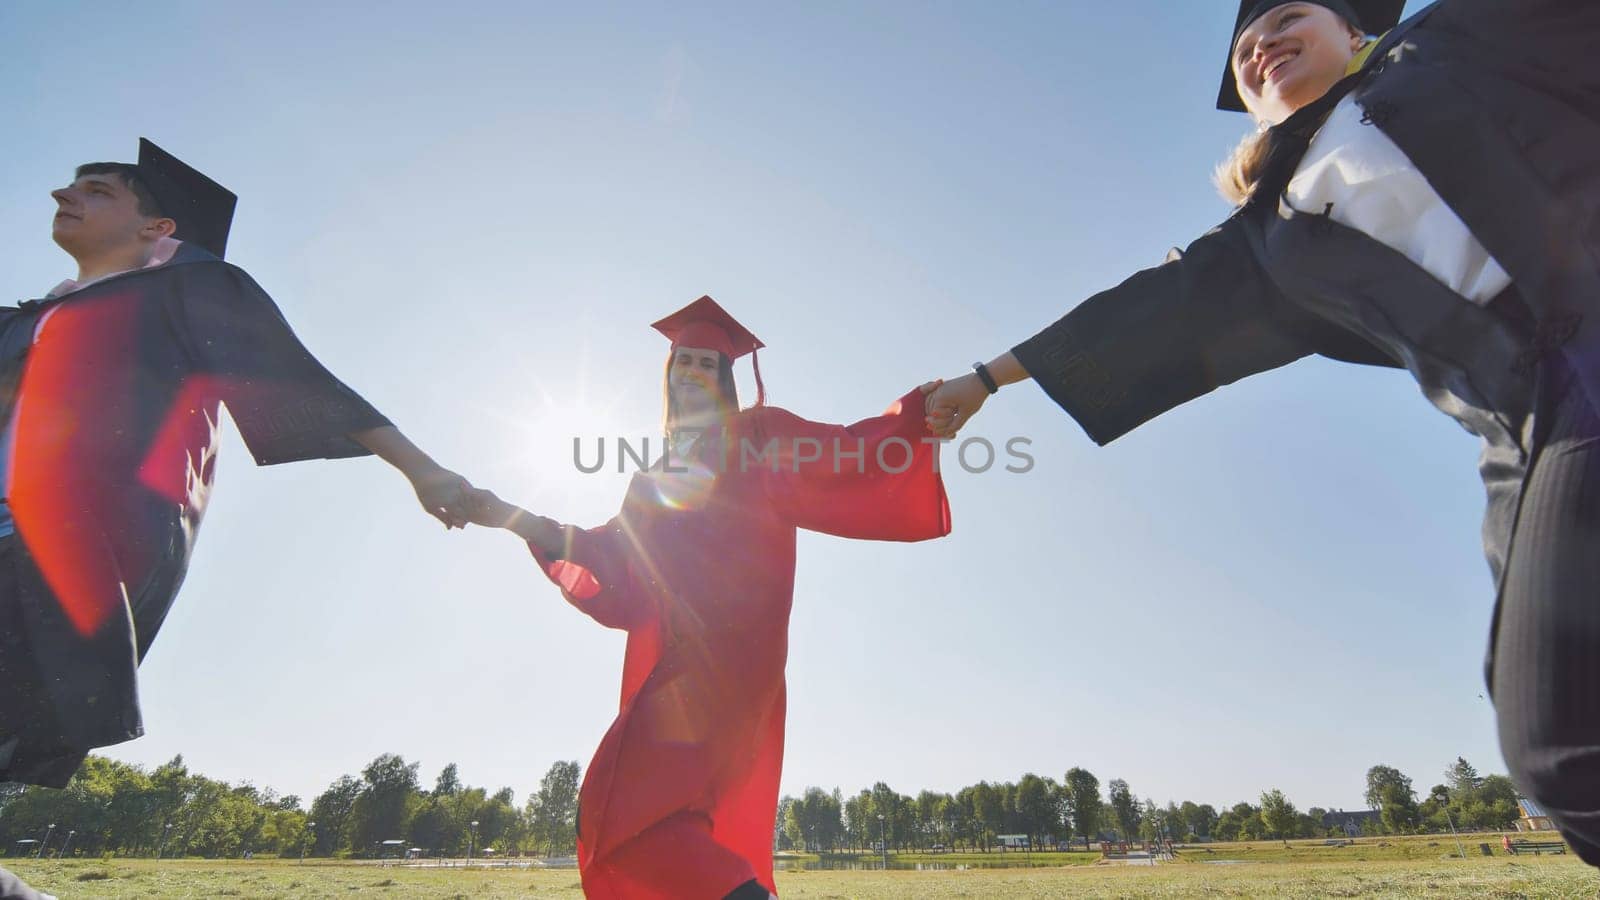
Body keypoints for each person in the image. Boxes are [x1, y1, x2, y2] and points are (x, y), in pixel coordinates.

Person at [926, 0, 1600, 865]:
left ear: (1354, 31)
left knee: (1567, 729)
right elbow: (1139, 311)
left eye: (1286, 18)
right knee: (1551, 739)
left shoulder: (1454, 41)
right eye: (1246, 47)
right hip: (1522, 426)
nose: (1262, 44)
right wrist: (986, 380)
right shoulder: (1269, 237)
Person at [0, 140, 475, 794]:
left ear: (157, 229)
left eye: (99, 190)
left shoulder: (187, 291)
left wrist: (421, 469)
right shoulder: (23, 321)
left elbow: (292, 378)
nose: (64, 195)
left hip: (53, 552)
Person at [467, 296, 950, 898]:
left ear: (725, 379)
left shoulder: (760, 437)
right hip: (680, 665)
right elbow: (614, 561)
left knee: (628, 811)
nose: (692, 372)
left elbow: (847, 453)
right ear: (667, 377)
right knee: (628, 814)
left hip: (734, 664)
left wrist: (919, 412)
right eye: (682, 362)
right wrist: (517, 519)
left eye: (706, 363)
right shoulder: (652, 478)